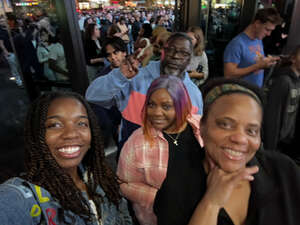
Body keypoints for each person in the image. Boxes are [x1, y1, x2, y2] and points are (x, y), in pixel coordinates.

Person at [154, 78, 300, 225]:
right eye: (225, 125)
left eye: (251, 131)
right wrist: (211, 203)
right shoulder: (176, 187)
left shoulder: (284, 172)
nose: (240, 139)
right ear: (202, 127)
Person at [0, 92, 132, 225]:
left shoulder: (100, 178)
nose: (71, 134)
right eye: (55, 125)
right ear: (37, 135)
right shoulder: (23, 195)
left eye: (81, 123)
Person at [86, 32, 203, 149]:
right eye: (171, 50)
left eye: (184, 53)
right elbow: (93, 96)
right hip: (131, 159)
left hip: (170, 163)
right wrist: (119, 76)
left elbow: (195, 135)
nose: (176, 56)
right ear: (162, 51)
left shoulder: (194, 94)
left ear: (190, 60)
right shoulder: (135, 78)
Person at [117, 75, 204, 225]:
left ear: (181, 105)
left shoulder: (202, 127)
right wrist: (159, 197)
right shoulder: (137, 142)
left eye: (166, 106)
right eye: (151, 105)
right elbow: (122, 184)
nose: (156, 113)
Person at [223, 8, 282, 87]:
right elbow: (229, 75)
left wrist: (266, 61)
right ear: (257, 23)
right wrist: (258, 66)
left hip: (254, 92)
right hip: (241, 95)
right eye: (267, 29)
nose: (269, 34)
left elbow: (254, 60)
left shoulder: (258, 39)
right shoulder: (237, 44)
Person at [264, 46, 300, 162]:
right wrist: (271, 149)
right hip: (276, 142)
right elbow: (273, 115)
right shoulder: (283, 81)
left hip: (287, 140)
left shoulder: (297, 82)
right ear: (293, 59)